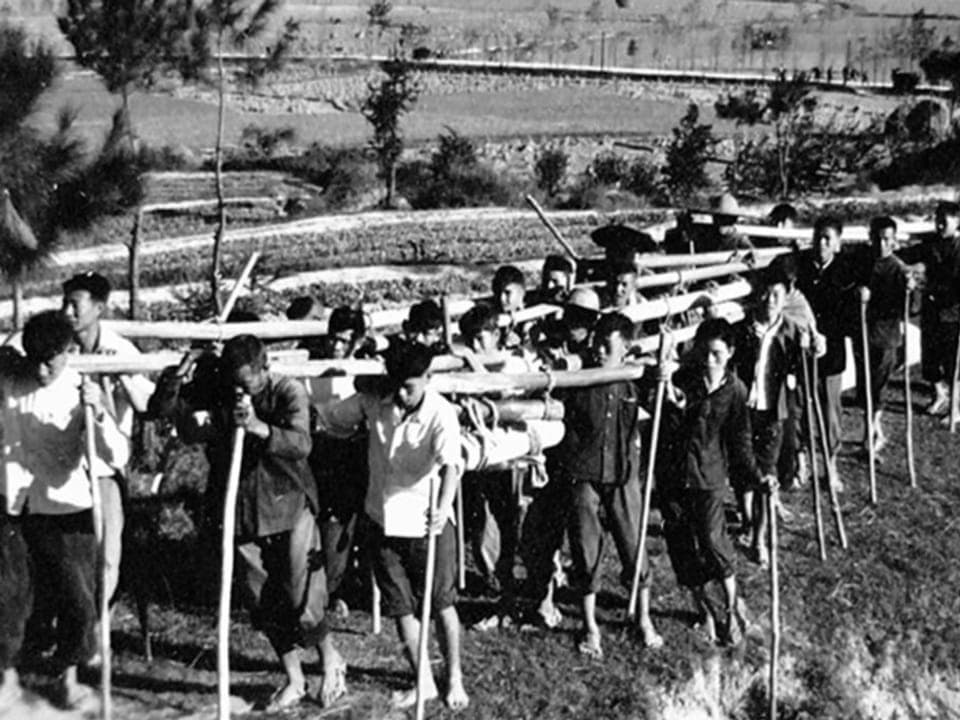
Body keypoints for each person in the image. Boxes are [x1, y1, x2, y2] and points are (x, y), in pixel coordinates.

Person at [148, 335, 346, 711]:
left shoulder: (288, 392)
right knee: (261, 598)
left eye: (247, 381)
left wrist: (259, 427)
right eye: (234, 381)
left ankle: (330, 659)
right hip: (239, 510)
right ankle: (294, 678)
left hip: (288, 504)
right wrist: (176, 377)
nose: (240, 389)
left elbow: (302, 443)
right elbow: (169, 415)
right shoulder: (219, 391)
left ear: (264, 368)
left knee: (302, 594)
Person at [314, 342, 469, 711]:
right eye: (396, 384)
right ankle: (424, 681)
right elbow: (333, 417)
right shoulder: (376, 400)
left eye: (410, 386)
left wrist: (444, 506)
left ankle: (455, 676)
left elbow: (450, 465)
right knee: (401, 608)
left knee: (441, 604)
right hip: (381, 520)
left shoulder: (440, 413)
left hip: (426, 522)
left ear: (428, 379)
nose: (401, 393)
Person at [1, 311, 127, 708]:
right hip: (12, 505)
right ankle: (6, 680)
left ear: (69, 351)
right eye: (34, 359)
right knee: (9, 596)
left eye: (50, 361)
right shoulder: (9, 380)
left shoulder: (82, 390)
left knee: (79, 602)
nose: (41, 369)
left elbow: (117, 453)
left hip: (66, 506)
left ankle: (65, 677)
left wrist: (101, 414)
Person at [553, 312, 663, 658]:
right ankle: (589, 625)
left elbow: (665, 401)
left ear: (625, 348)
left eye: (607, 345)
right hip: (582, 472)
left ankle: (643, 618)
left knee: (633, 541)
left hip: (622, 471)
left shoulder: (635, 379)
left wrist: (661, 380)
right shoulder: (579, 375)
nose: (599, 350)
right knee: (585, 548)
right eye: (597, 342)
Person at [659, 317, 774, 646]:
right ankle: (705, 610)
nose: (709, 361)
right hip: (672, 475)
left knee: (712, 540)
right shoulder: (684, 378)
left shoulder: (735, 391)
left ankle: (732, 603)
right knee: (681, 543)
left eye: (717, 355)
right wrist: (664, 385)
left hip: (708, 476)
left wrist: (756, 475)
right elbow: (665, 415)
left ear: (731, 353)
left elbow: (740, 441)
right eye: (704, 353)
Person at [730, 265, 804, 565]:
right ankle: (747, 519)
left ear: (785, 297)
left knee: (766, 476)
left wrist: (813, 349)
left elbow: (801, 369)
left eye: (776, 294)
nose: (770, 299)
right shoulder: (743, 329)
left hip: (773, 414)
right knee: (741, 471)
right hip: (743, 412)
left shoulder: (789, 331)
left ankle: (759, 538)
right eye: (765, 292)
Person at [796, 216, 858, 490]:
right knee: (800, 409)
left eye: (827, 239)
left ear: (837, 243)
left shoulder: (845, 273)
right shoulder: (801, 268)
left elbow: (849, 320)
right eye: (817, 237)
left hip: (831, 355)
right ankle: (802, 462)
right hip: (801, 353)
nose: (820, 244)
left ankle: (830, 467)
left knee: (830, 412)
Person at [858, 217, 916, 450]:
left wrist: (909, 292)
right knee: (864, 385)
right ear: (870, 238)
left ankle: (871, 433)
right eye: (877, 239)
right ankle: (873, 433)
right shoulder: (863, 263)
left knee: (878, 386)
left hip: (886, 338)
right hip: (862, 333)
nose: (881, 245)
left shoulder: (899, 269)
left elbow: (910, 309)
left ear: (893, 241)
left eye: (886, 240)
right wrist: (859, 294)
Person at [900, 201, 960, 417]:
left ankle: (955, 404)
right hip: (931, 311)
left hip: (953, 312)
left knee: (952, 359)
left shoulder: (958, 248)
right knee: (930, 356)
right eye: (938, 220)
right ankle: (938, 395)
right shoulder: (930, 244)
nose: (941, 225)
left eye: (945, 221)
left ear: (957, 221)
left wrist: (926, 285)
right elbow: (908, 255)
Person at [492, 265, 528, 350]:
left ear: (522, 293)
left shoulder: (534, 316)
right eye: (498, 292)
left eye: (508, 293)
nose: (502, 298)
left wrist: (521, 344)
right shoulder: (492, 314)